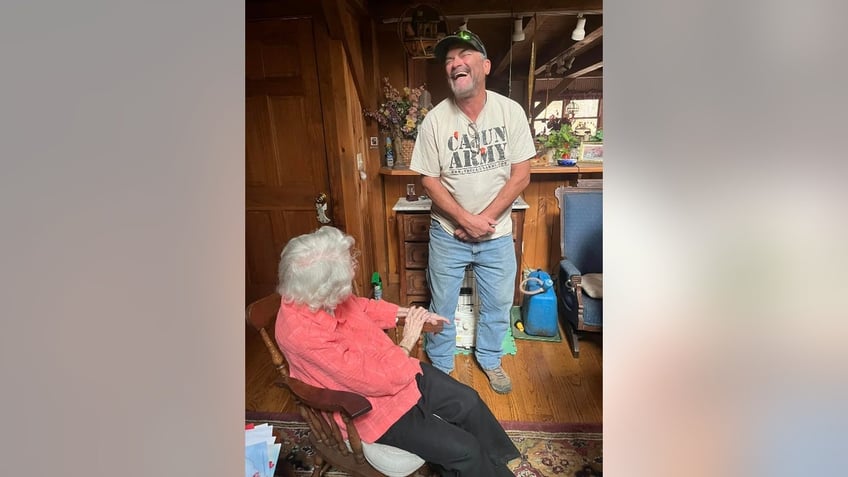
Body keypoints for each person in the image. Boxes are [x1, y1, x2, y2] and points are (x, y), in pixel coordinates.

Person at [275, 226, 520, 477]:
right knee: (465, 450)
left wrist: (411, 315)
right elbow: (372, 380)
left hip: (393, 368)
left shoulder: (310, 291)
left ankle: (498, 466)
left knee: (469, 401)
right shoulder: (301, 335)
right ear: (324, 292)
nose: (355, 266)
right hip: (368, 406)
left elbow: (361, 307)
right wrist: (408, 340)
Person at [409, 29, 536, 394]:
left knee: (498, 304)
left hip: (496, 234)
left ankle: (491, 359)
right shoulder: (435, 120)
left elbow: (521, 174)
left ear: (486, 66)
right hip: (448, 234)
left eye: (464, 55)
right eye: (449, 60)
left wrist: (484, 221)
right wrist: (466, 220)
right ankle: (441, 366)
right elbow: (429, 181)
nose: (455, 64)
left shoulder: (510, 112)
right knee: (442, 304)